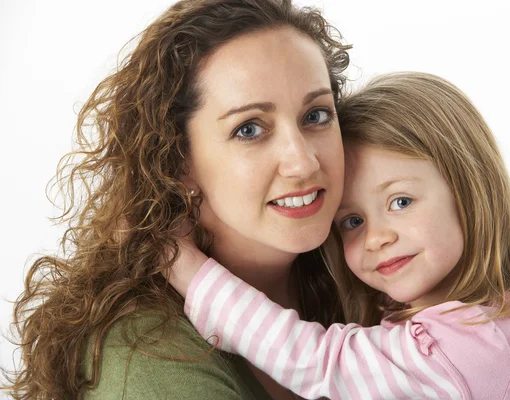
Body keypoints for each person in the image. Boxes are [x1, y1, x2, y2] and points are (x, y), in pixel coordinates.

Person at [5, 0, 352, 398]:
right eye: (250, 129)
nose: (303, 163)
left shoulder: (366, 274)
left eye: (316, 116)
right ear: (176, 159)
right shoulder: (150, 357)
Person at [169, 72, 510, 399]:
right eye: (352, 222)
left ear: (471, 191)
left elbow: (319, 361)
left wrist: (186, 268)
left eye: (400, 202)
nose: (376, 238)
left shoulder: (476, 347)